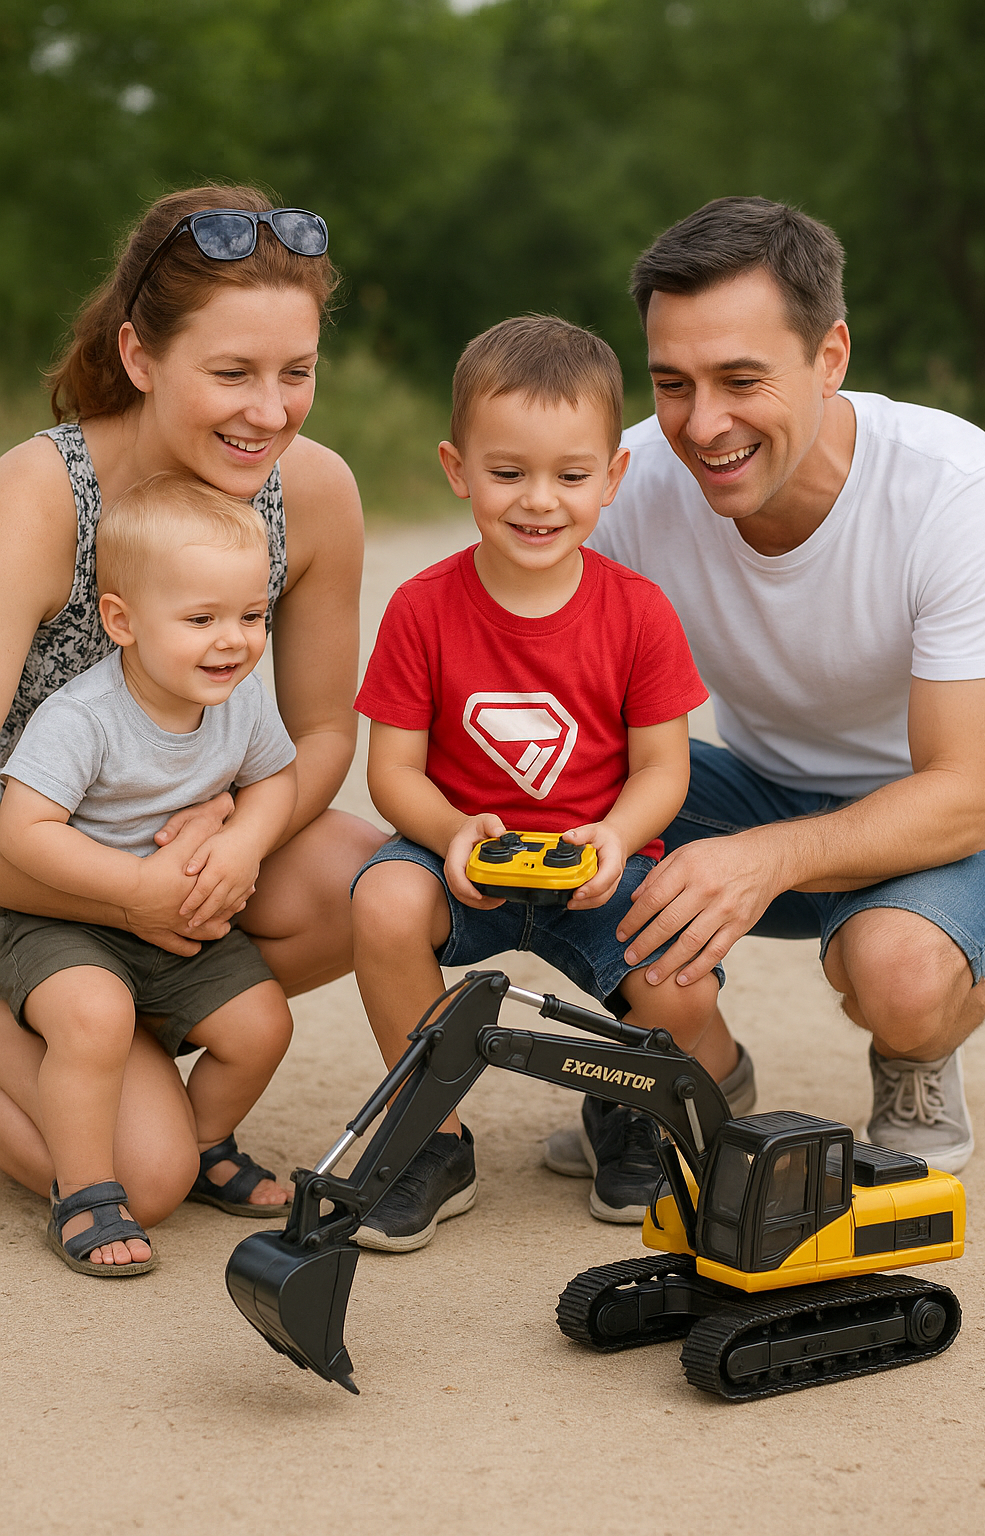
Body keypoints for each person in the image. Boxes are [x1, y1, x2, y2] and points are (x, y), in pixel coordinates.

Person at [546, 196, 985, 1191]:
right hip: (754, 783)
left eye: (740, 380)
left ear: (830, 356)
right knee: (554, 785)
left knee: (898, 972)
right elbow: (531, 686)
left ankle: (922, 1047)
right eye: (672, 382)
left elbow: (964, 793)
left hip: (939, 814)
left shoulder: (959, 491)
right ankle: (688, 1061)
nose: (702, 423)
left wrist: (766, 859)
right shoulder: (629, 485)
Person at [0, 185, 384, 1231]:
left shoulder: (312, 494)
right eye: (231, 373)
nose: (269, 410)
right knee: (150, 1181)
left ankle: (118, 1044)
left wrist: (245, 829)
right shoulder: (40, 498)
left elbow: (321, 734)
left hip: (165, 875)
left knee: (363, 876)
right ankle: (67, 1045)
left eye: (294, 372)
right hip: (21, 884)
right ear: (139, 357)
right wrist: (128, 893)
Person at [349, 314, 756, 1253]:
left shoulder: (639, 613)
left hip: (596, 862)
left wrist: (616, 837)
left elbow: (663, 769)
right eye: (508, 473)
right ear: (457, 468)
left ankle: (622, 1111)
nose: (539, 501)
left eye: (571, 477)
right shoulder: (422, 609)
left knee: (682, 976)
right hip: (464, 855)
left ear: (612, 476)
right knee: (380, 902)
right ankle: (430, 1142)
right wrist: (451, 832)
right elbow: (393, 772)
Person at [0, 475, 298, 1274]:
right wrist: (132, 891)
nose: (232, 640)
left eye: (251, 615)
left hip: (177, 918)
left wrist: (242, 841)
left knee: (261, 1026)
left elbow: (276, 779)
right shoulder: (82, 717)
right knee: (93, 1018)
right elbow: (22, 830)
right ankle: (87, 1188)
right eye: (201, 619)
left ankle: (202, 1145)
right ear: (121, 621)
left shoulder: (241, 700)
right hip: (66, 917)